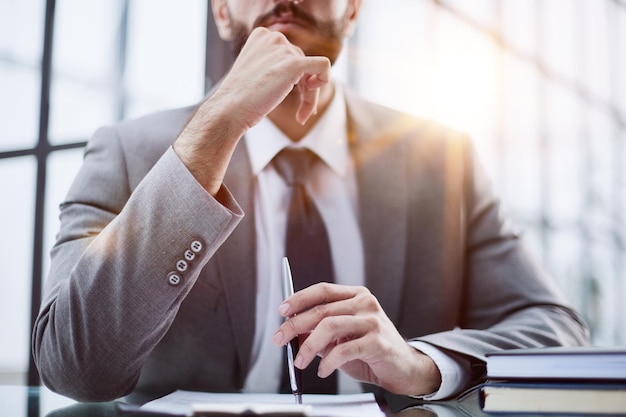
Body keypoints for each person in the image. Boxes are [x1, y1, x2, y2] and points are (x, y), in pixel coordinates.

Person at [32, 0, 589, 404]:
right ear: (221, 13)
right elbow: (74, 366)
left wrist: (421, 363)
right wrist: (212, 133)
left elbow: (554, 328)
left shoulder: (444, 160)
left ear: (353, 10)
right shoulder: (129, 152)